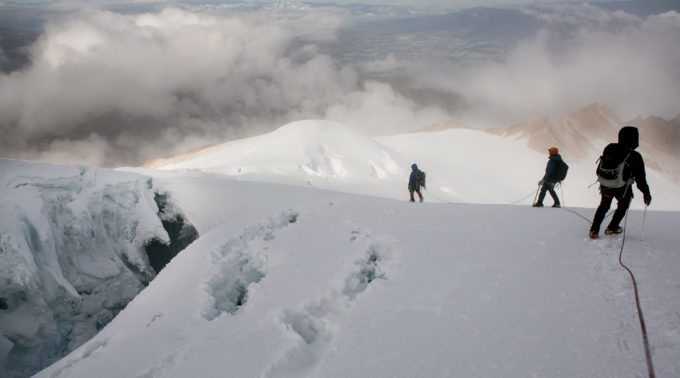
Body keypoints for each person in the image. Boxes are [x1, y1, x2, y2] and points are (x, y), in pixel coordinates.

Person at [589, 126, 652, 239]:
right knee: (623, 206)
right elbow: (640, 178)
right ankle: (612, 228)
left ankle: (594, 230)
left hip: (605, 184)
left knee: (603, 206)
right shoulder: (635, 156)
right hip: (622, 188)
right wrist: (646, 193)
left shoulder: (609, 148)